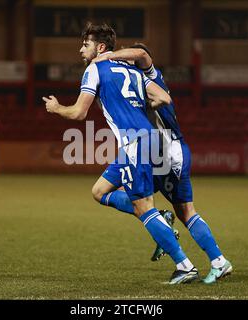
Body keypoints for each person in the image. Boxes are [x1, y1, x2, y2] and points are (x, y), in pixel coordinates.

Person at [43, 22, 198, 284]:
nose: (81, 49)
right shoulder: (130, 69)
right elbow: (164, 97)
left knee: (142, 206)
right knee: (99, 191)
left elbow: (79, 113)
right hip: (149, 138)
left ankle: (185, 265)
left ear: (100, 47)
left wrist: (57, 108)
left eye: (86, 44)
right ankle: (162, 218)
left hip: (136, 142)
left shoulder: (94, 69)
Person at [91, 43, 233, 284]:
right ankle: (204, 253)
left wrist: (109, 56)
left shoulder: (149, 76)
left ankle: (212, 261)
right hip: (149, 148)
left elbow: (144, 56)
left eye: (128, 55)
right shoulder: (133, 81)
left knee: (182, 210)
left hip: (165, 148)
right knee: (100, 191)